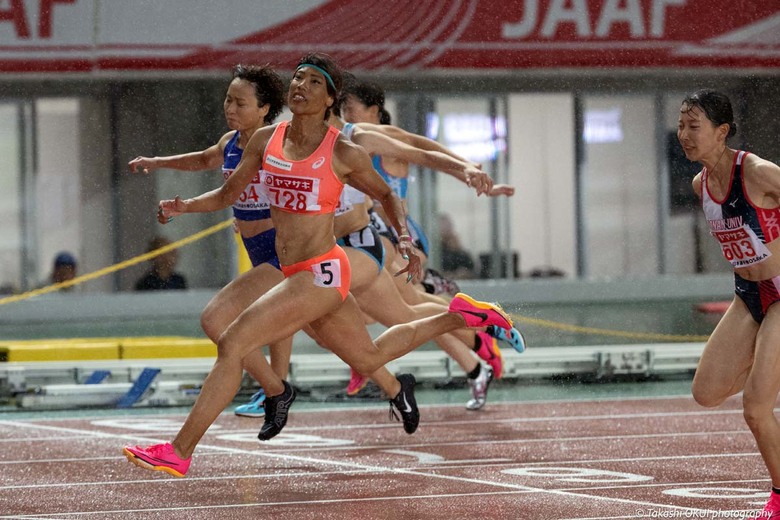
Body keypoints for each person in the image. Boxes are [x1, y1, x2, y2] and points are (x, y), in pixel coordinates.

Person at [122, 53, 512, 478]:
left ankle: (180, 451)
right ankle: (462, 315)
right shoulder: (265, 140)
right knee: (369, 356)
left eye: (312, 81)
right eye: (297, 78)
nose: (300, 85)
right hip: (298, 272)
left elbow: (387, 191)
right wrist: (183, 207)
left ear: (329, 99)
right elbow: (226, 194)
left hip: (322, 270)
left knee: (233, 341)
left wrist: (408, 235)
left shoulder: (344, 148)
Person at [129, 64, 290, 418]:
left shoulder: (280, 143)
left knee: (219, 321)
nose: (230, 109)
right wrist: (156, 162)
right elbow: (203, 160)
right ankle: (277, 389)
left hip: (282, 250)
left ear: (264, 109)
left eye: (240, 104)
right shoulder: (230, 142)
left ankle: (277, 389)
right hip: (257, 248)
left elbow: (228, 195)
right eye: (228, 100)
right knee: (290, 326)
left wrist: (185, 206)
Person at [680, 89, 780, 520]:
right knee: (706, 392)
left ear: (722, 132)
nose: (684, 134)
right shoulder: (700, 184)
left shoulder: (757, 173)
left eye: (694, 126)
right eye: (681, 125)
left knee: (756, 407)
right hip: (748, 296)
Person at [439, 213, 476, 280]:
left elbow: (471, 268)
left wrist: (457, 249)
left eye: (449, 226)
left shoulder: (459, 250)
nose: (448, 230)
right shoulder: (435, 251)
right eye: (444, 227)